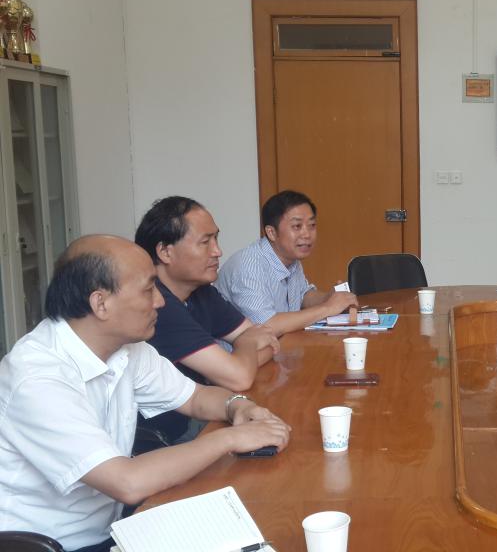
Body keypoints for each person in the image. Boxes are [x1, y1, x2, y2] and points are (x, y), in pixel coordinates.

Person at [0, 235, 291, 552]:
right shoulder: (37, 378)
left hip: (115, 525)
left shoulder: (126, 348)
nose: (160, 302)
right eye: (148, 289)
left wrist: (238, 406)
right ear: (101, 303)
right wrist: (231, 438)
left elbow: (195, 398)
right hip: (55, 544)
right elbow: (127, 482)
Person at [135, 196, 279, 443]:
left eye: (216, 239)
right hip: (167, 440)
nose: (217, 251)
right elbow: (240, 376)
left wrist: (231, 366)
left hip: (204, 415)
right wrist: (245, 346)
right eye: (205, 242)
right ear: (165, 252)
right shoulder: (158, 307)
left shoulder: (200, 290)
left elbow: (268, 343)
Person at [215, 190, 358, 335]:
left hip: (283, 344)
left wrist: (329, 298)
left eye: (312, 225)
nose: (307, 234)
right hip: (244, 348)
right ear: (271, 232)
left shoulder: (290, 257)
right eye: (297, 226)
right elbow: (266, 326)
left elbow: (302, 296)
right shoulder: (248, 267)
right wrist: (327, 308)